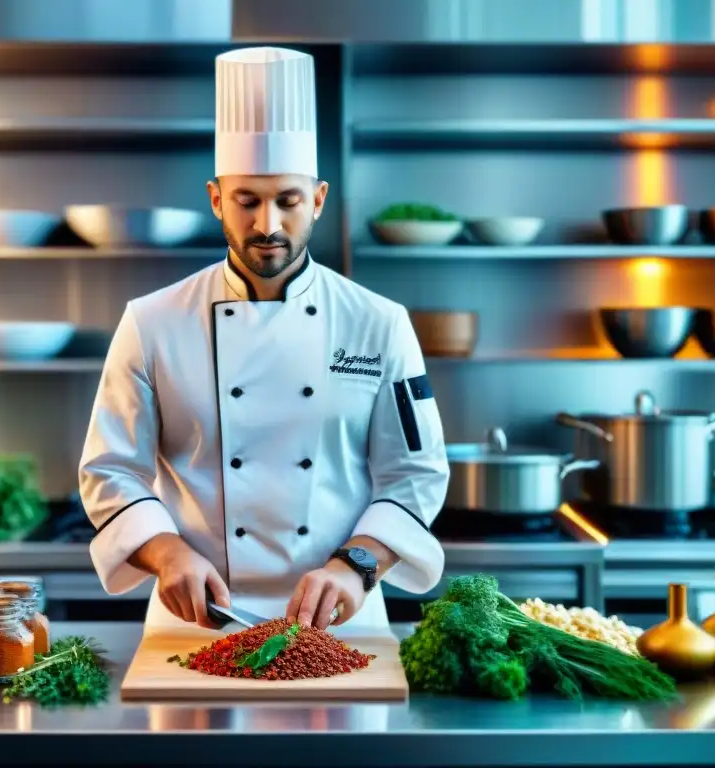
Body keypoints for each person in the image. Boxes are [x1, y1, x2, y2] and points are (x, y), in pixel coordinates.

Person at [79, 46, 449, 635]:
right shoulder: (151, 322)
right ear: (216, 199)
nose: (268, 224)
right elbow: (110, 469)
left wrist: (356, 565)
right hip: (197, 616)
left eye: (289, 200)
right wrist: (166, 554)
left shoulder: (379, 323)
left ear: (319, 200)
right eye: (247, 200)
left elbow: (417, 473)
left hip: (341, 617)